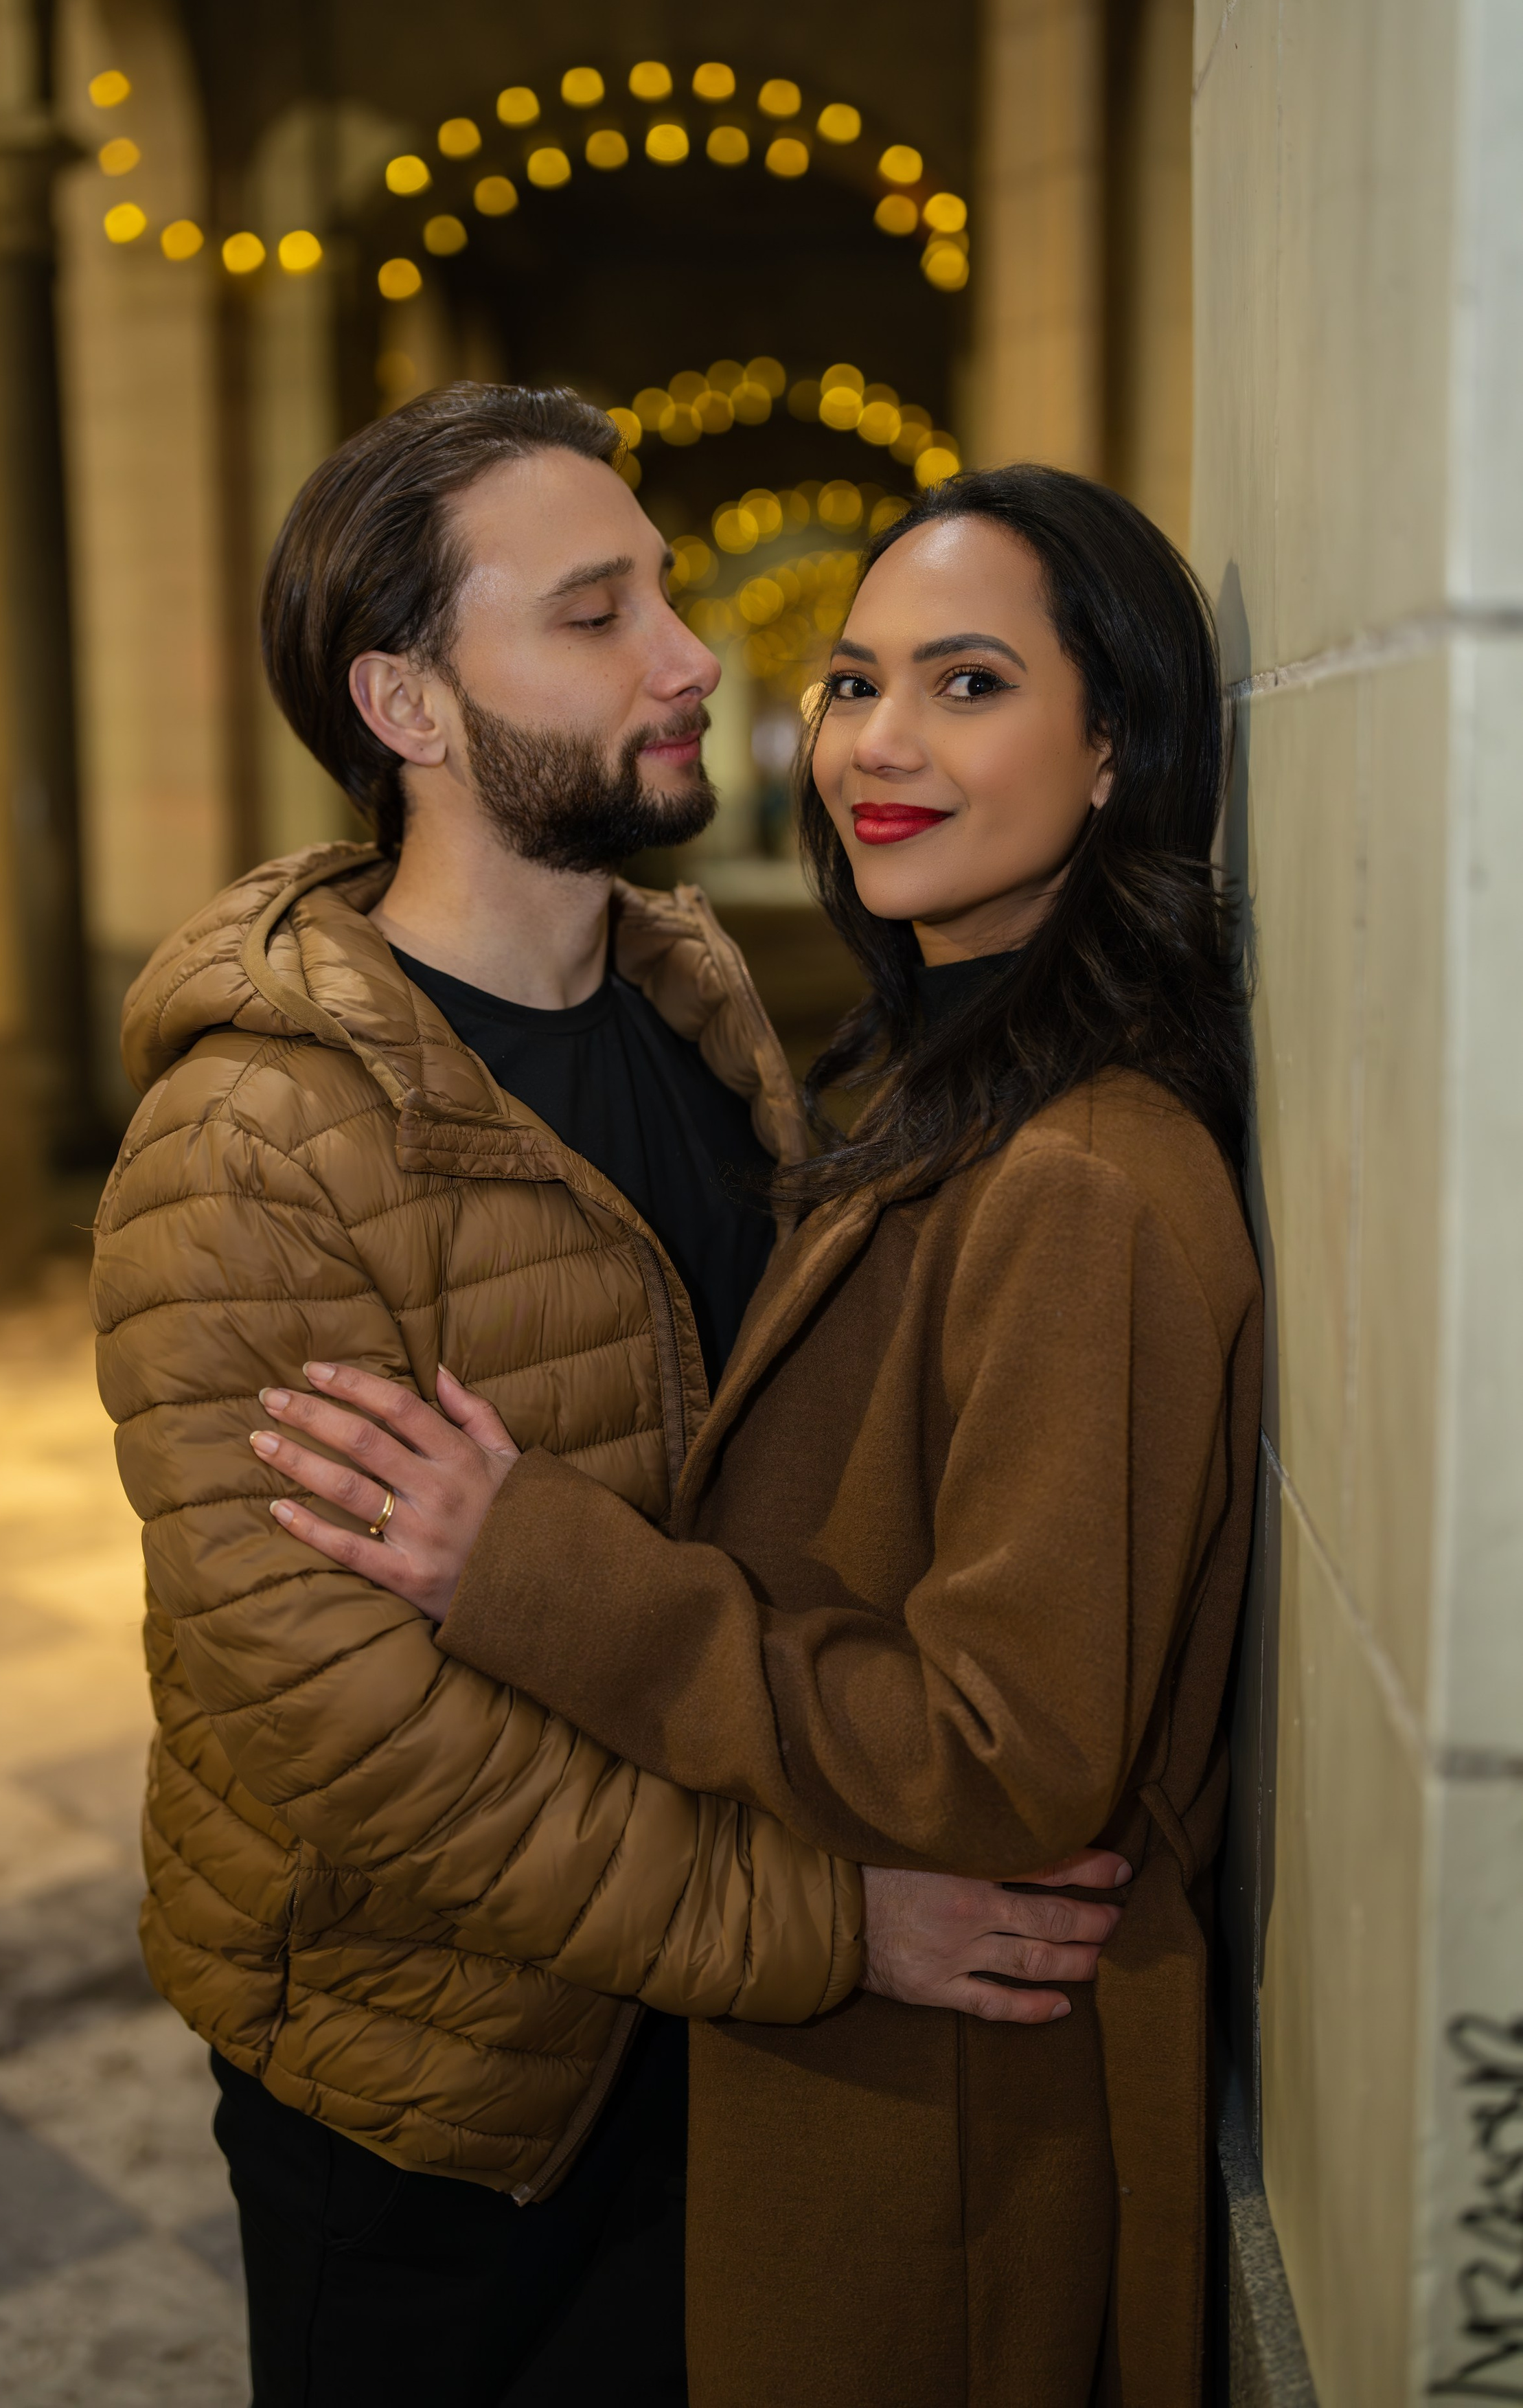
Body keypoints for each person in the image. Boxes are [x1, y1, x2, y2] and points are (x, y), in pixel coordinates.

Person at [91, 394, 1131, 2408]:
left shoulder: (693, 992)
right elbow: (354, 1744)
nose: (692, 659)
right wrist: (833, 1923)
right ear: (407, 700)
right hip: (441, 2089)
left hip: (700, 2031)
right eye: (596, 614)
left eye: (664, 588)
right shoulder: (250, 1148)